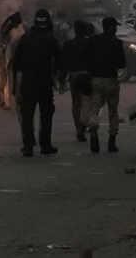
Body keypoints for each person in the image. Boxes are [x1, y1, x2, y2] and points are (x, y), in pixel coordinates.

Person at [12, 9, 61, 157]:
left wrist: (15, 84)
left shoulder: (25, 38)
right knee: (46, 114)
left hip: (28, 82)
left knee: (27, 114)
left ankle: (28, 145)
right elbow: (59, 59)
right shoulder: (51, 40)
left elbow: (16, 62)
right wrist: (57, 77)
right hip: (45, 82)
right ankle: (45, 145)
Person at [83, 17, 126, 153]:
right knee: (113, 110)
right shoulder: (117, 43)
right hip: (111, 79)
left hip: (95, 78)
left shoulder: (93, 41)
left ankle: (93, 128)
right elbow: (122, 63)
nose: (117, 29)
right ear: (111, 27)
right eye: (115, 26)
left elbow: (86, 58)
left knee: (95, 107)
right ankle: (111, 142)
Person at [58, 19, 91, 141]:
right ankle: (83, 126)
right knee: (87, 102)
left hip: (73, 75)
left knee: (76, 103)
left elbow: (63, 64)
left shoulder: (68, 45)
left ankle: (78, 127)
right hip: (87, 74)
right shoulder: (89, 43)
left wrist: (62, 80)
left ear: (75, 30)